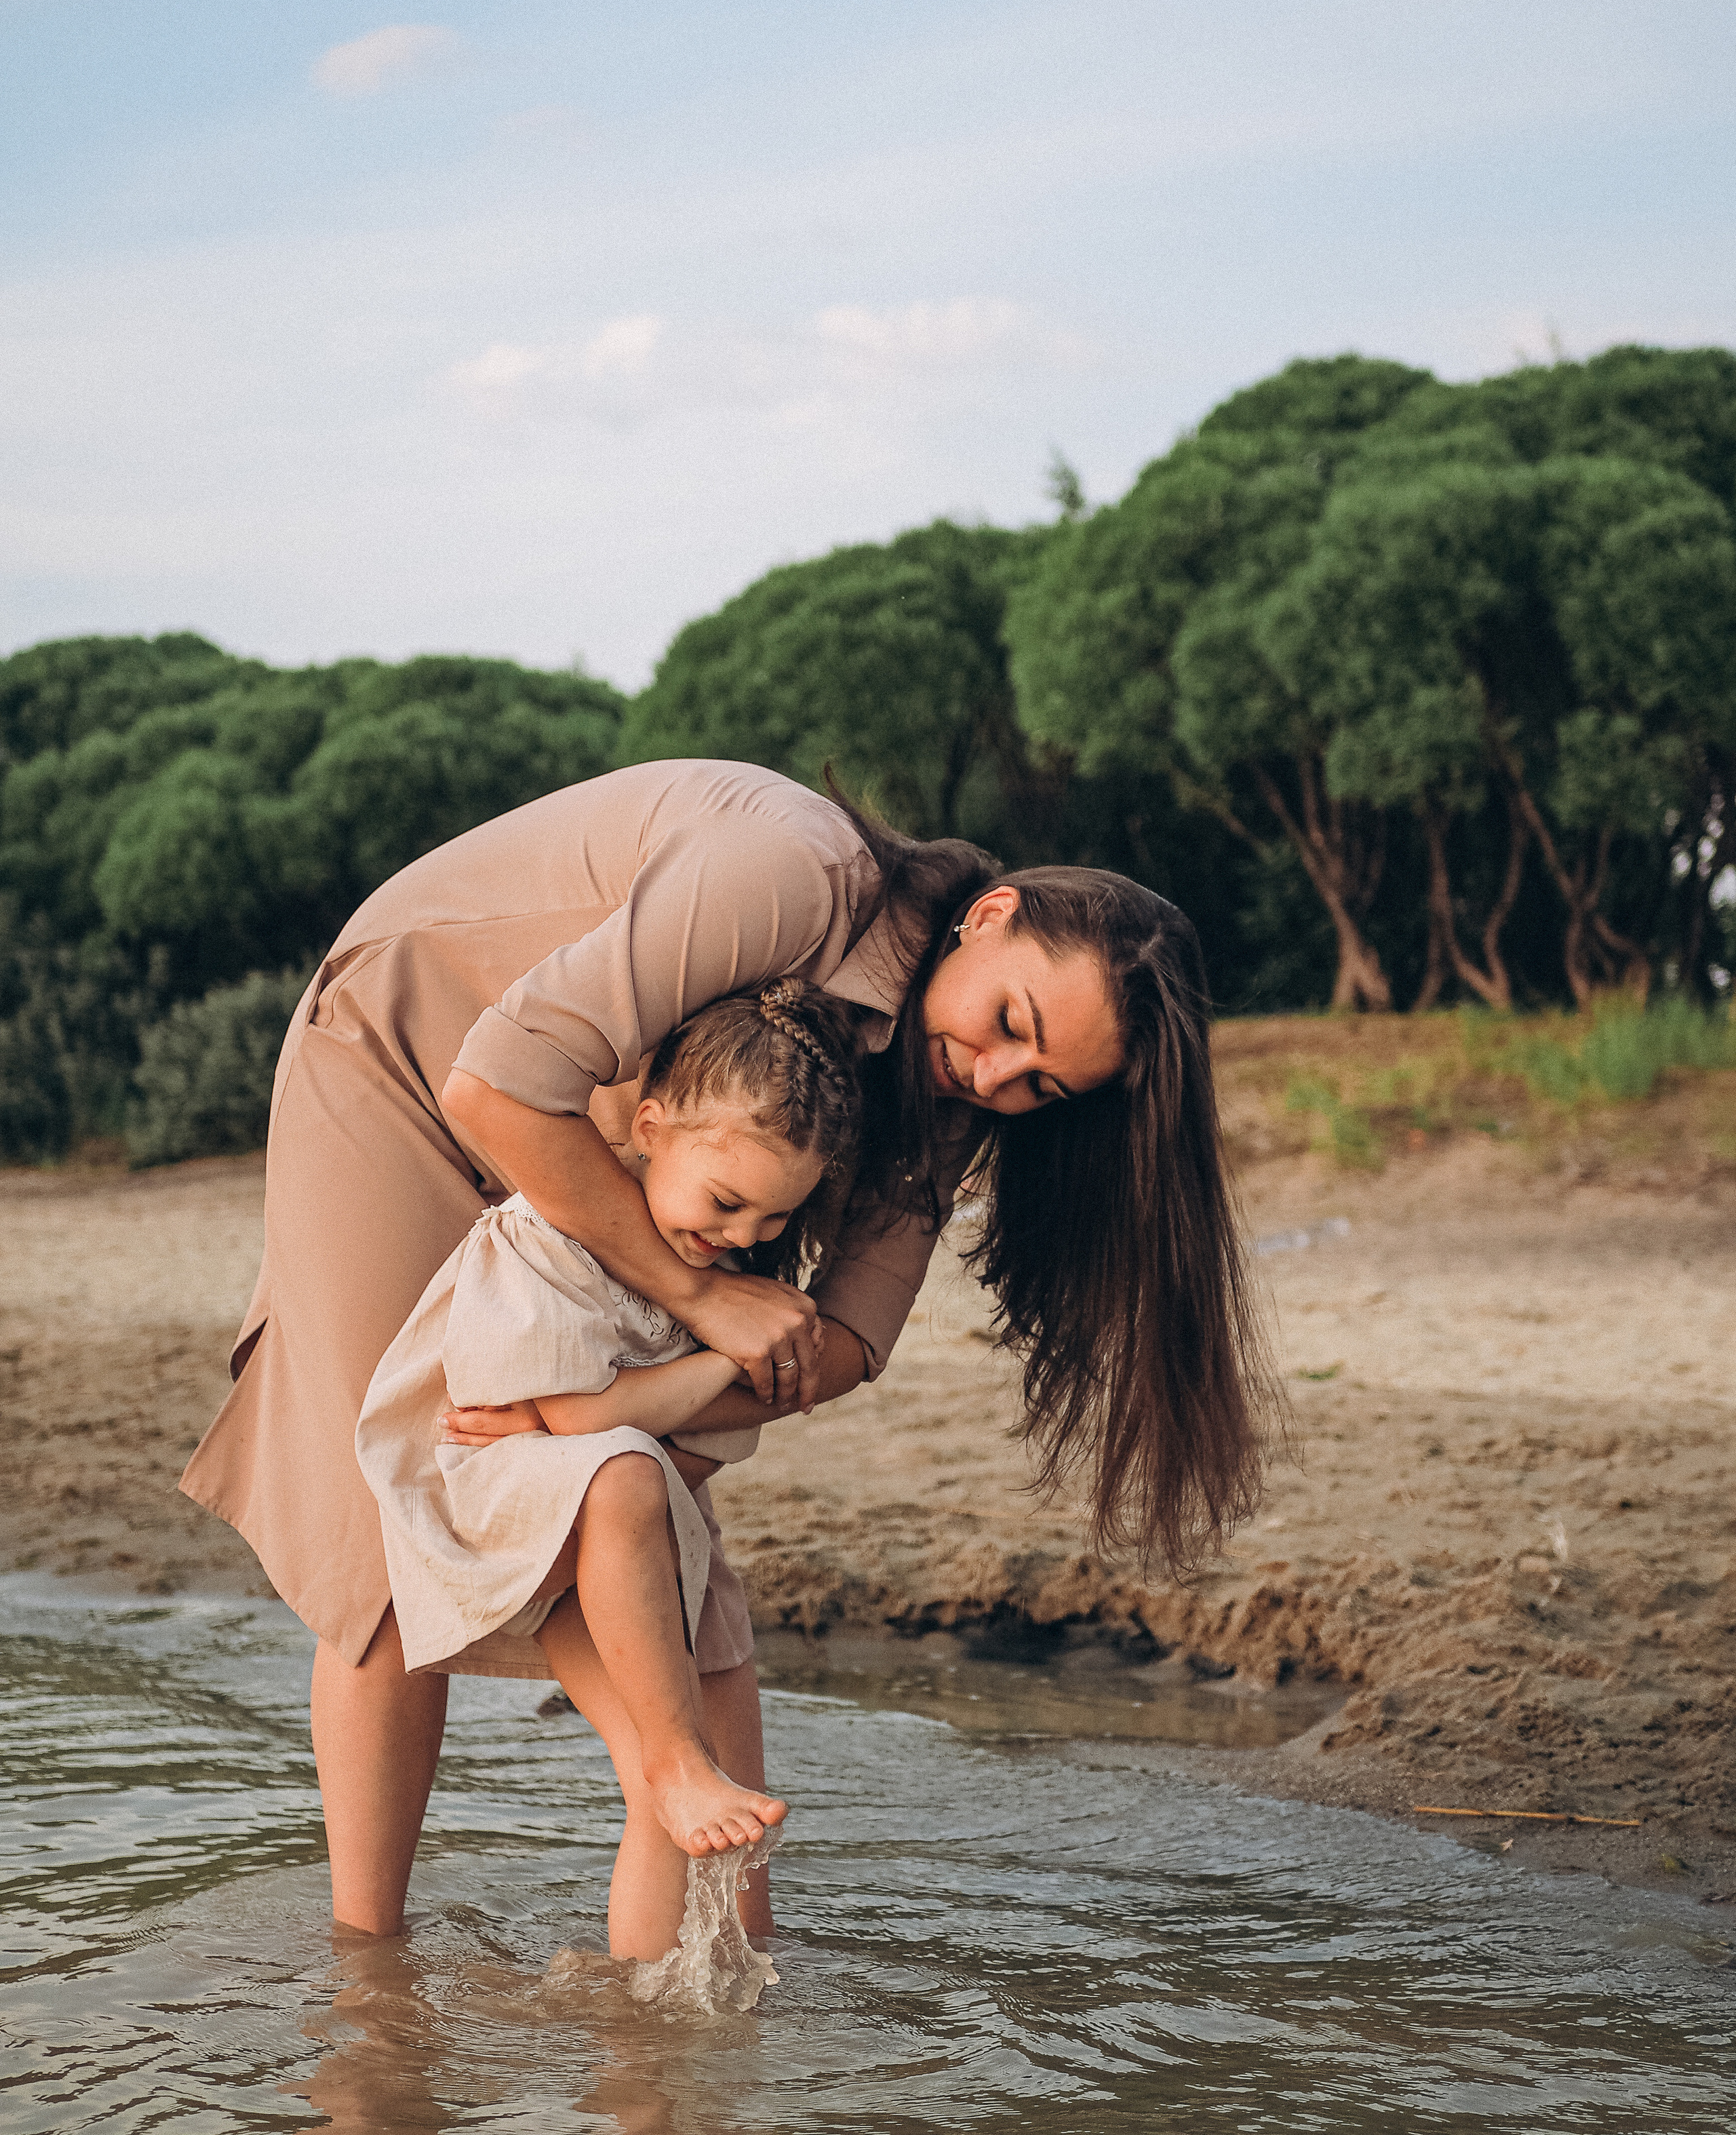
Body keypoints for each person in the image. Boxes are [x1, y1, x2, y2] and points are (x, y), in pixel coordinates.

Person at [181, 759, 1276, 1941]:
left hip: (614, 1162)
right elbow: (498, 1089)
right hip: (406, 1059)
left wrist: (624, 1414)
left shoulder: (950, 1091)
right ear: (991, 914)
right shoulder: (797, 874)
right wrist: (703, 1307)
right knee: (391, 1538)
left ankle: (707, 1997)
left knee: (682, 1582)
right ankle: (370, 1979)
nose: (998, 1073)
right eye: (1012, 1022)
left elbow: (849, 1336)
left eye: (1042, 1084)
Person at [355, 981, 861, 1961]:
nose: (745, 1236)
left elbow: (680, 1445)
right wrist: (720, 1351)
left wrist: (684, 1358)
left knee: (652, 1788)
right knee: (625, 1469)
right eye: (727, 1199)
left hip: (600, 1544)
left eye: (772, 1217)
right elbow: (585, 1418)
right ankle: (681, 1758)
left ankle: (643, 2043)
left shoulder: (724, 1270)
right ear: (649, 1126)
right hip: (484, 1502)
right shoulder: (547, 1239)